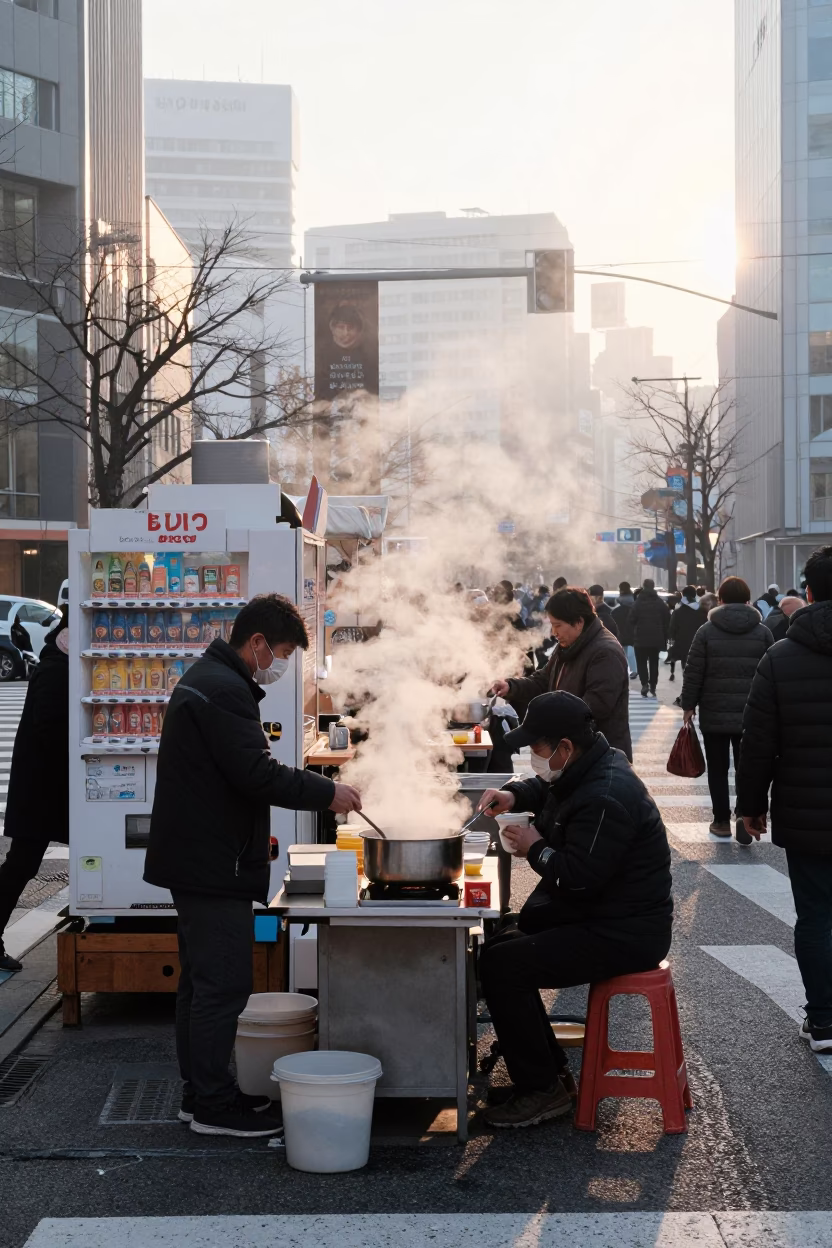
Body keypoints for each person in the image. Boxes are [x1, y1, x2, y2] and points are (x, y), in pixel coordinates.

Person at [144, 593, 362, 1138]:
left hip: (197, 853)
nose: (282, 664)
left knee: (200, 985)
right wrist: (328, 792)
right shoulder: (224, 691)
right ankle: (213, 1107)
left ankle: (202, 1095)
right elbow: (255, 774)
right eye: (283, 652)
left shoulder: (213, 679)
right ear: (258, 643)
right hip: (210, 859)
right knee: (221, 986)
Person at [476, 692, 673, 1128]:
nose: (534, 758)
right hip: (605, 915)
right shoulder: (587, 768)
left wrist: (535, 848)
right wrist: (512, 795)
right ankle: (549, 1076)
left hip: (626, 931)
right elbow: (547, 788)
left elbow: (579, 879)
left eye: (538, 749)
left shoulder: (605, 795)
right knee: (501, 945)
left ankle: (542, 1091)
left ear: (565, 747)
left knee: (504, 966)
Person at [737, 546, 832, 1053]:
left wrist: (750, 805)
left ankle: (823, 1021)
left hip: (807, 808)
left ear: (808, 593)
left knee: (816, 914)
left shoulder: (781, 656)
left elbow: (757, 742)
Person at [0, 610, 69, 973]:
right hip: (42, 789)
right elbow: (50, 730)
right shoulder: (56, 671)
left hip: (47, 788)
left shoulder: (56, 666)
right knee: (22, 864)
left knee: (22, 863)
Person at [490, 587, 631, 759]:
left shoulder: (605, 652)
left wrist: (546, 724)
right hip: (570, 753)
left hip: (599, 757)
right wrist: (511, 686)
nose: (554, 633)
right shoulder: (569, 644)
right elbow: (543, 680)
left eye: (558, 625)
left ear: (578, 622)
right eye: (552, 625)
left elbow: (593, 708)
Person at [680, 577, 772, 840]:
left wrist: (689, 705)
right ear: (748, 600)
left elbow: (694, 671)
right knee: (747, 766)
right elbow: (772, 672)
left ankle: (721, 820)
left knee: (718, 768)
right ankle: (744, 813)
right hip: (752, 715)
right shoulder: (763, 631)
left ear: (719, 599)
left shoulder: (706, 631)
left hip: (714, 712)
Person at [630, 578, 670, 698]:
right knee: (654, 663)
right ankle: (653, 685)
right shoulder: (660, 603)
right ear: (653, 587)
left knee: (641, 663)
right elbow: (667, 619)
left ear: (643, 586)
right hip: (656, 639)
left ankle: (644, 684)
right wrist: (665, 636)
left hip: (640, 639)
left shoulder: (638, 602)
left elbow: (631, 619)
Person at [667, 585, 703, 701]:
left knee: (686, 669)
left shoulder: (678, 612)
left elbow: (672, 629)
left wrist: (671, 640)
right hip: (700, 645)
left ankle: (687, 693)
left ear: (683, 595)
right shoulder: (702, 611)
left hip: (683, 644)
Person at [612, 582, 638, 679]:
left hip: (620, 628)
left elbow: (614, 614)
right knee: (631, 652)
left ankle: (621, 670)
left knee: (620, 652)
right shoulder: (633, 600)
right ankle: (634, 670)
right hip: (631, 628)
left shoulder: (618, 601)